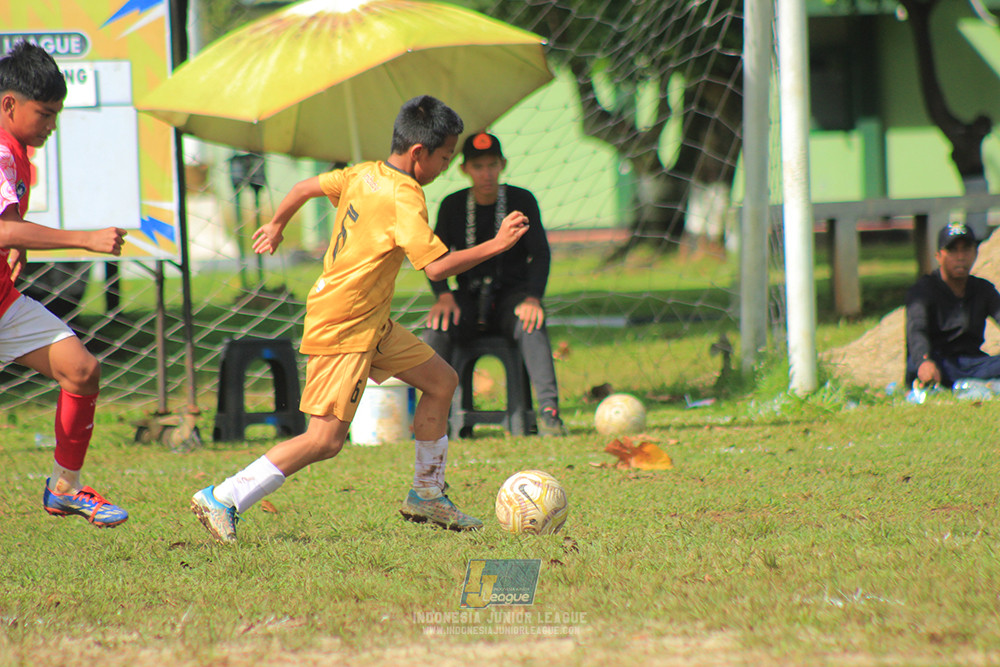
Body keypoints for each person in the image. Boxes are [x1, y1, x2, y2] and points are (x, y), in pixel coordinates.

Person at [190, 96, 530, 542]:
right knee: (324, 441)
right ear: (418, 154)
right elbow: (436, 267)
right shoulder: (405, 194)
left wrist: (276, 224)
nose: (446, 167)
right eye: (446, 158)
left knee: (441, 381)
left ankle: (427, 494)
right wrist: (497, 244)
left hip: (369, 321)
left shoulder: (362, 172)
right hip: (345, 323)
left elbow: (301, 189)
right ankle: (225, 496)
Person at [0, 42, 129, 527]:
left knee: (80, 369)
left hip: (3, 302)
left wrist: (17, 243)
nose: (52, 124)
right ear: (9, 104)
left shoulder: (15, 151)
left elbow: (7, 220)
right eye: (46, 113)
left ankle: (65, 488)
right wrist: (86, 240)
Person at [423, 132, 566, 436]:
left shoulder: (521, 200)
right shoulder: (452, 205)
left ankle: (550, 413)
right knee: (438, 326)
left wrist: (533, 298)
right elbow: (432, 256)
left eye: (492, 165)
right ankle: (430, 416)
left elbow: (540, 254)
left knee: (531, 323)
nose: (486, 174)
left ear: (503, 164)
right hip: (467, 297)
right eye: (478, 166)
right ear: (465, 169)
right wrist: (443, 295)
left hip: (510, 297)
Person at [905, 221, 1000, 388]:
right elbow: (917, 330)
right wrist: (924, 361)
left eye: (966, 250)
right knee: (918, 365)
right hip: (937, 360)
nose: (960, 257)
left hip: (972, 362)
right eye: (952, 250)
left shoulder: (983, 289)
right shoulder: (923, 290)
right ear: (939, 256)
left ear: (975, 253)